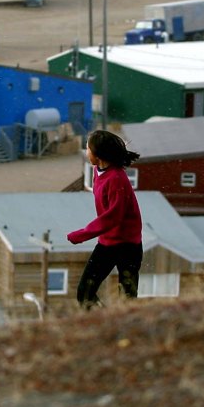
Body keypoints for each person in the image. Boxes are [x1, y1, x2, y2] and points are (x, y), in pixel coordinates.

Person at [67, 130, 143, 310]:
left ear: (98, 154)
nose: (86, 151)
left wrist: (83, 234)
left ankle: (123, 329)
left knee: (127, 297)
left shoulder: (117, 179)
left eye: (87, 148)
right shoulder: (97, 170)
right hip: (107, 242)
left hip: (128, 245)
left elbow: (113, 216)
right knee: (85, 293)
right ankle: (102, 322)